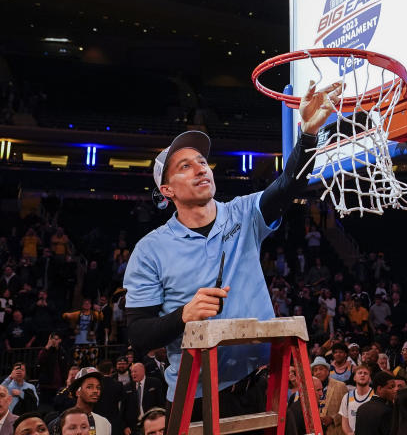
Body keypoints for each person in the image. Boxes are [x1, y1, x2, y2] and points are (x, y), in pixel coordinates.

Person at [124, 85, 338, 406]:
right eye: (185, 166)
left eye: (201, 161)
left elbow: (286, 185)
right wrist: (185, 314)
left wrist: (308, 135)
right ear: (167, 190)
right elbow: (138, 335)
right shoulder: (150, 251)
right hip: (197, 395)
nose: (200, 168)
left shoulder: (243, 212)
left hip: (260, 384)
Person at [122, 365, 165, 435]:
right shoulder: (127, 387)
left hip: (153, 425)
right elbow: (123, 409)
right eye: (131, 372)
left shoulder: (155, 382)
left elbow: (161, 403)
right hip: (133, 428)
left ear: (143, 371)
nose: (133, 374)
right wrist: (125, 426)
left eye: (135, 371)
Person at [353, 370, 396, 435]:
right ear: (380, 389)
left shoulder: (361, 408)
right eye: (391, 387)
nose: (394, 390)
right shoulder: (387, 411)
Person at [310, 357, 344, 435]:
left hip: (334, 430)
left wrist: (333, 419)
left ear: (327, 371)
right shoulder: (309, 389)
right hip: (315, 430)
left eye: (321, 369)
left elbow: (347, 410)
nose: (318, 372)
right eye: (315, 370)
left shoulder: (340, 386)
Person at [339, 365, 373, 435]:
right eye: (360, 373)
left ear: (369, 379)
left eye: (365, 373)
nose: (362, 375)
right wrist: (349, 433)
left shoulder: (375, 396)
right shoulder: (347, 397)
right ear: (354, 378)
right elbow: (344, 422)